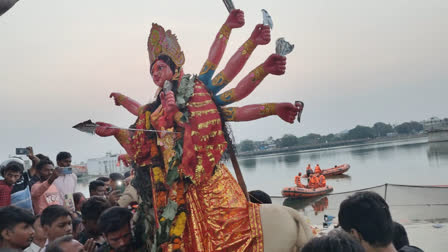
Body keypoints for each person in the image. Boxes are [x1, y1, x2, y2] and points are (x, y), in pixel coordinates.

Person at [92, 8, 302, 250]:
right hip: (171, 192)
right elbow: (143, 151)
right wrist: (116, 132)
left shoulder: (197, 89)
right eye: (152, 72)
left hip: (206, 183)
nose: (156, 75)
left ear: (174, 66)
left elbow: (225, 108)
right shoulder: (152, 111)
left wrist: (236, 34)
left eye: (159, 68)